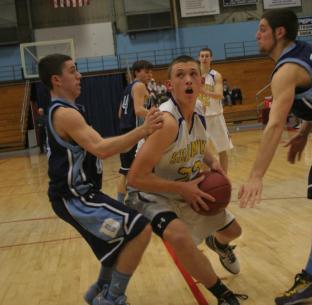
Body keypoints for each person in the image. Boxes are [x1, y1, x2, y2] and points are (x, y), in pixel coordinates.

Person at [238, 9, 312, 305]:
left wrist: (256, 176)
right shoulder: (303, 52)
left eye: (262, 29)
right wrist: (304, 130)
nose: (256, 34)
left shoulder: (286, 70)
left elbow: (275, 125)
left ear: (279, 32)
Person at [38, 54, 163, 305]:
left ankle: (98, 291)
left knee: (119, 242)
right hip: (74, 197)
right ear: (56, 79)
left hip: (81, 194)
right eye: (73, 71)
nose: (79, 75)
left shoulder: (71, 111)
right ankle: (112, 298)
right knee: (139, 229)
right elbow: (102, 149)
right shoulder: (65, 114)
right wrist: (143, 129)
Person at [125, 55, 247, 305]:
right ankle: (223, 295)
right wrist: (182, 187)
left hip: (184, 187)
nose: (188, 79)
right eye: (180, 75)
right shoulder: (167, 122)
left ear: (201, 83)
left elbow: (198, 144)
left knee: (234, 231)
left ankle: (218, 244)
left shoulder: (199, 111)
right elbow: (135, 177)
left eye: (193, 74)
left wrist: (213, 163)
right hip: (150, 193)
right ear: (170, 85)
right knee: (180, 237)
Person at [116, 60, 153, 203]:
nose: (150, 75)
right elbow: (138, 110)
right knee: (139, 169)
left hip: (125, 130)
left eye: (151, 71)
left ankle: (126, 200)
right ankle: (133, 199)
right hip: (134, 133)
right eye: (146, 71)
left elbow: (120, 113)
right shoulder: (139, 86)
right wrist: (158, 113)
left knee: (126, 170)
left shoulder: (128, 87)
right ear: (137, 72)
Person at [198, 48, 233, 174]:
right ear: (199, 58)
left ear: (211, 58)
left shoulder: (215, 75)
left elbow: (219, 95)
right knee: (202, 151)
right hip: (200, 118)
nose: (204, 58)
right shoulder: (194, 76)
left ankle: (224, 178)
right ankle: (204, 179)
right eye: (202, 56)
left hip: (216, 116)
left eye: (207, 56)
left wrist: (204, 91)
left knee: (222, 149)